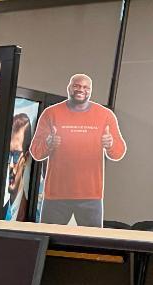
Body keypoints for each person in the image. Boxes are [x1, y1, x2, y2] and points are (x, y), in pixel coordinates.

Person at [29, 74, 127, 227]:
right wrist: (48, 144)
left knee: (90, 245)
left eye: (85, 87)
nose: (81, 90)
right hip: (56, 194)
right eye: (77, 86)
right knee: (48, 241)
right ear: (69, 88)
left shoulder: (105, 115)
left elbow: (119, 152)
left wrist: (110, 144)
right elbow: (35, 152)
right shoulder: (51, 113)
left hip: (90, 196)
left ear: (90, 91)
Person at [4, 113, 32, 221]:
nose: (11, 165)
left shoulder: (30, 213)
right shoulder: (1, 210)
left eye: (16, 155)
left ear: (26, 157)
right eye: (9, 154)